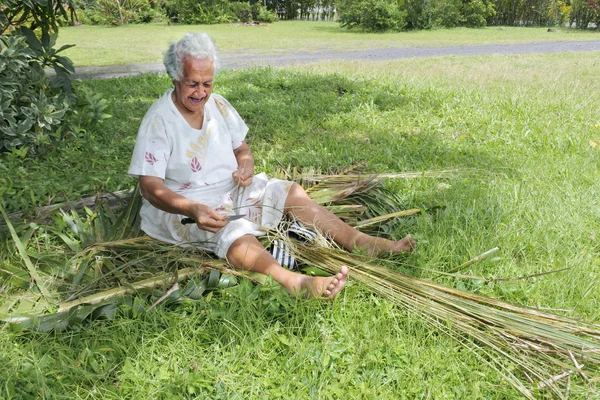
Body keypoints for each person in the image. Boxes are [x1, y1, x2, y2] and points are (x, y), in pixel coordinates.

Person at [128, 33, 416, 299]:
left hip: (231, 192)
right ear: (175, 78)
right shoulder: (159, 119)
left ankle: (360, 241)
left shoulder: (219, 106)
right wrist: (192, 208)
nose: (201, 92)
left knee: (290, 193)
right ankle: (291, 281)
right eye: (193, 83)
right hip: (186, 209)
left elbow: (242, 149)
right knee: (233, 232)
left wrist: (246, 165)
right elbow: (150, 187)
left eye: (208, 83)